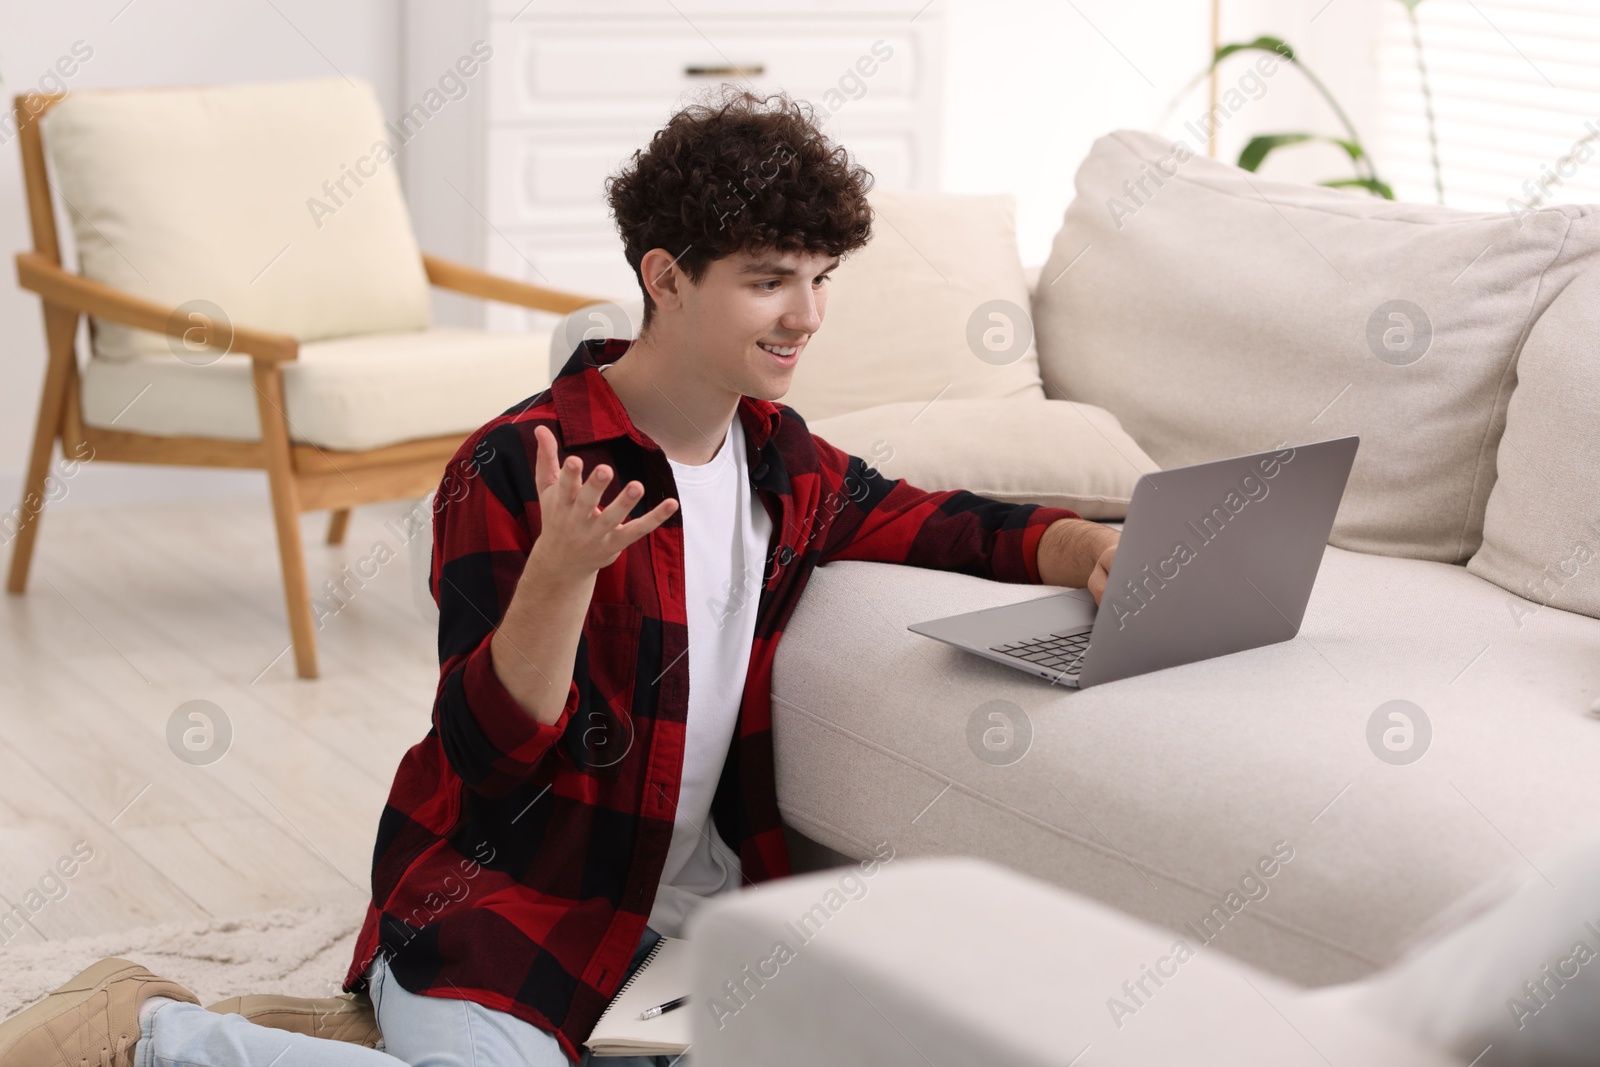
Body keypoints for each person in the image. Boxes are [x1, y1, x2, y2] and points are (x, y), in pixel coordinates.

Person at [0, 85, 1119, 1067]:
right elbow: (488, 757)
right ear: (665, 278)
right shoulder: (517, 463)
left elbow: (939, 520)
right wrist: (560, 572)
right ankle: (149, 1033)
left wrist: (1084, 549)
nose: (807, 316)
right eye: (770, 281)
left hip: (685, 923)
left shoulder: (782, 458)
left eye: (821, 279)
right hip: (508, 905)